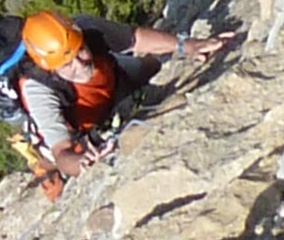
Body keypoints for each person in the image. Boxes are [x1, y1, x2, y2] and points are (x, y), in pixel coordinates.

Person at [18, 9, 231, 180]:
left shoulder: (86, 28)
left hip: (111, 82)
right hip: (81, 127)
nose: (80, 64)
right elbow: (62, 152)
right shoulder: (38, 89)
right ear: (51, 69)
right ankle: (43, 170)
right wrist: (80, 162)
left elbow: (135, 39)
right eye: (67, 65)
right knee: (60, 159)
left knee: (152, 65)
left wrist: (186, 46)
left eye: (80, 51)